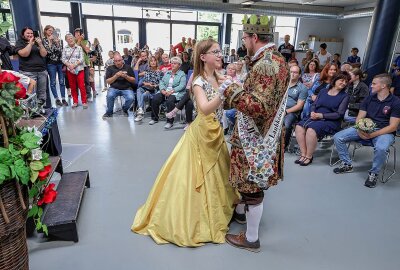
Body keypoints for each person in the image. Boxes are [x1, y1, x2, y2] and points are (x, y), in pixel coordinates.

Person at [132, 39, 239, 247]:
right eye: (215, 52)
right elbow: (205, 108)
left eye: (220, 51)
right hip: (202, 132)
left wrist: (232, 87)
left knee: (218, 173)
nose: (219, 55)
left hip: (216, 131)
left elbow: (226, 101)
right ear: (202, 57)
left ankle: (220, 208)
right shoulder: (198, 81)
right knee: (194, 177)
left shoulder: (218, 75)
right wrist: (222, 92)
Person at [223, 15, 289, 252]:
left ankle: (251, 239)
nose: (243, 43)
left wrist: (230, 89)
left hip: (256, 138)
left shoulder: (265, 65)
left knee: (252, 187)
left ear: (254, 37)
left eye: (244, 38)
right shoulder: (277, 59)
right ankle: (241, 215)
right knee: (249, 184)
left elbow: (258, 107)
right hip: (264, 133)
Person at [333, 74, 400, 188]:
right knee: (338, 137)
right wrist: (359, 130)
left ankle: (373, 173)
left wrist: (373, 134)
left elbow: (393, 126)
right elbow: (360, 117)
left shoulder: (395, 102)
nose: (371, 85)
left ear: (384, 85)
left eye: (374, 83)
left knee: (381, 147)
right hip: (364, 128)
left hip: (385, 131)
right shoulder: (369, 98)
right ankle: (347, 164)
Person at [295, 72, 350, 166]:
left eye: (346, 81)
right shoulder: (323, 91)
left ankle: (309, 156)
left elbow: (339, 114)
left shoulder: (345, 96)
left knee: (311, 130)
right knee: (299, 127)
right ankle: (303, 154)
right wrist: (312, 112)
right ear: (335, 80)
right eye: (342, 80)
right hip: (315, 115)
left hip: (331, 120)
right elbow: (314, 104)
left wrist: (321, 116)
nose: (344, 83)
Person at [149, 57, 186, 129]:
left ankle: (170, 122)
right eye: (172, 63)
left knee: (170, 101)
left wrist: (172, 91)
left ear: (179, 65)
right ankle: (154, 118)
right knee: (155, 99)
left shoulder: (182, 74)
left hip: (176, 92)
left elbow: (182, 85)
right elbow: (161, 82)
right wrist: (162, 90)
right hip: (165, 91)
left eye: (175, 63)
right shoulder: (168, 73)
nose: (172, 65)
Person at [15, 27, 48, 106]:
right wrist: (30, 43)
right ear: (23, 34)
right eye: (28, 33)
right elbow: (24, 54)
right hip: (28, 71)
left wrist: (40, 44)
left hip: (41, 71)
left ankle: (41, 109)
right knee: (31, 93)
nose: (30, 35)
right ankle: (31, 111)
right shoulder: (20, 43)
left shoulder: (38, 42)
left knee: (42, 93)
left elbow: (44, 54)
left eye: (31, 33)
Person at [102, 52, 136, 118]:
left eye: (119, 60)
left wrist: (126, 76)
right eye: (116, 61)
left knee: (131, 98)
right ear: (113, 61)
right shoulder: (110, 68)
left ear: (122, 60)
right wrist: (116, 76)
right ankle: (109, 112)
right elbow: (108, 81)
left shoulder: (128, 67)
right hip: (114, 88)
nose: (118, 63)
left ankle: (125, 108)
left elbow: (133, 80)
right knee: (110, 96)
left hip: (127, 88)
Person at [42, 25, 67, 106]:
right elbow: (48, 52)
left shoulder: (57, 40)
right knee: (53, 82)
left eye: (52, 30)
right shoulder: (44, 40)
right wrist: (50, 41)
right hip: (50, 64)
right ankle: (56, 99)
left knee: (62, 81)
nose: (51, 32)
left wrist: (57, 43)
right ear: (45, 31)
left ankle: (63, 98)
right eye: (49, 30)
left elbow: (60, 51)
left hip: (59, 63)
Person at [284, 65, 308, 151]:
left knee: (286, 125)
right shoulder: (283, 83)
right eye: (291, 72)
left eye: (295, 72)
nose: (292, 74)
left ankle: (283, 146)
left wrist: (286, 112)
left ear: (299, 75)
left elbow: (299, 106)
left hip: (291, 112)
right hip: (278, 110)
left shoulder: (303, 88)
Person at [134, 56, 163, 122]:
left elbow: (162, 83)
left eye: (154, 61)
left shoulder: (160, 72)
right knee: (139, 90)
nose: (153, 62)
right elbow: (144, 81)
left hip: (155, 90)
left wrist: (155, 85)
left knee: (144, 95)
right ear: (149, 63)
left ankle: (140, 113)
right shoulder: (147, 71)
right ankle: (140, 109)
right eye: (151, 61)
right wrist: (147, 84)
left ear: (156, 62)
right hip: (147, 88)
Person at [62, 33, 87, 108]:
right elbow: (63, 59)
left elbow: (82, 58)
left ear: (74, 38)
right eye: (68, 38)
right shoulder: (65, 48)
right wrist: (69, 65)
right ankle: (75, 101)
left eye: (71, 38)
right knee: (72, 86)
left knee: (81, 86)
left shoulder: (79, 47)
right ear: (66, 40)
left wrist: (74, 65)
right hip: (70, 70)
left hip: (79, 69)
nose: (70, 39)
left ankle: (84, 102)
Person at [74, 28, 92, 100]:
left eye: (78, 33)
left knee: (86, 80)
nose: (77, 35)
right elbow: (75, 49)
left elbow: (87, 51)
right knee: (77, 81)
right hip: (76, 64)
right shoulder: (73, 42)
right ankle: (77, 95)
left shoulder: (86, 41)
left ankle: (88, 94)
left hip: (85, 64)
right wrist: (78, 40)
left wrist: (81, 41)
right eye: (76, 33)